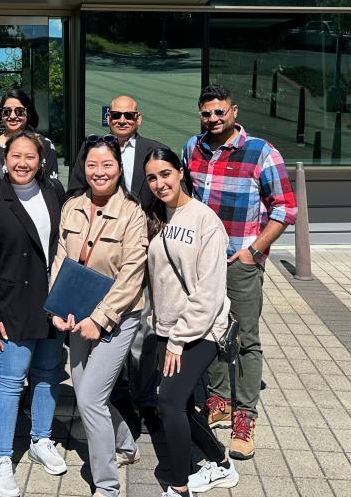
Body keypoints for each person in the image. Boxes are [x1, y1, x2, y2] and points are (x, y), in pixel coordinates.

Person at [182, 84, 297, 461]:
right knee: (209, 330)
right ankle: (218, 400)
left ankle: (245, 415)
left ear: (233, 112)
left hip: (241, 262)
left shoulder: (261, 152)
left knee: (245, 338)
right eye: (206, 113)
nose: (213, 119)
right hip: (202, 261)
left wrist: (253, 251)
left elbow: (284, 208)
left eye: (219, 112)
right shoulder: (191, 148)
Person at [0, 129, 67, 497]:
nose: (23, 163)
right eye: (16, 157)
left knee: (47, 374)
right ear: (4, 159)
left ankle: (41, 439)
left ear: (41, 161)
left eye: (30, 157)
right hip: (11, 305)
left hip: (50, 302)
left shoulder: (53, 193)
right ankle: (1, 458)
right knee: (10, 381)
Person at [51, 136, 148, 497]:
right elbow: (61, 258)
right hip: (76, 314)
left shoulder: (133, 213)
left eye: (107, 165)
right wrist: (56, 308)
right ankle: (124, 446)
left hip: (119, 317)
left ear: (120, 168)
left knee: (90, 397)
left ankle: (106, 485)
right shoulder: (72, 206)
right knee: (85, 389)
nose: (99, 172)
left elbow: (132, 274)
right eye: (92, 165)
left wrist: (101, 318)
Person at [144, 147, 238, 497]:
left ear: (180, 172)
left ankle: (180, 486)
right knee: (180, 403)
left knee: (168, 402)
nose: (159, 183)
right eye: (152, 177)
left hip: (197, 333)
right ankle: (221, 465)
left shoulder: (204, 220)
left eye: (165, 173)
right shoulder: (155, 215)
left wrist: (178, 340)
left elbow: (209, 291)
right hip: (165, 329)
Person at [67, 95, 166, 425]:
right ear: (108, 117)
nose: (122, 119)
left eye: (128, 115)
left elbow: (170, 196)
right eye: (116, 114)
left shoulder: (153, 149)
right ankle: (118, 401)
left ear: (138, 119)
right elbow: (76, 192)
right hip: (100, 261)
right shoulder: (92, 149)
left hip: (144, 251)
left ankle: (145, 398)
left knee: (143, 329)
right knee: (107, 334)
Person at [0, 87, 59, 186]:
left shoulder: (45, 145)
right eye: (6, 111)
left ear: (28, 113)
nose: (12, 116)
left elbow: (52, 186)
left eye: (19, 111)